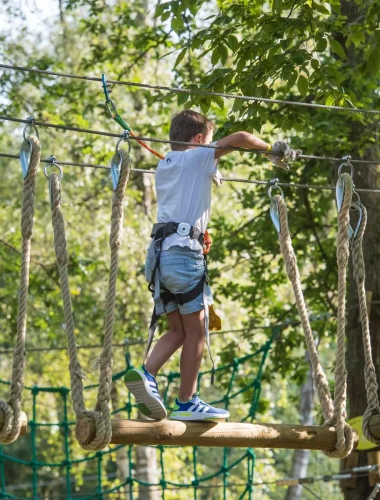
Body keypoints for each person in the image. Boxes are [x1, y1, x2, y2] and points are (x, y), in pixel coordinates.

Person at [124, 110, 299, 421]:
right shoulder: (199, 157)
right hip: (182, 255)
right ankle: (187, 401)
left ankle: (147, 373)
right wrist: (273, 150)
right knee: (197, 332)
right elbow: (242, 138)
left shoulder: (164, 165)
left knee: (177, 330)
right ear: (199, 140)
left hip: (159, 257)